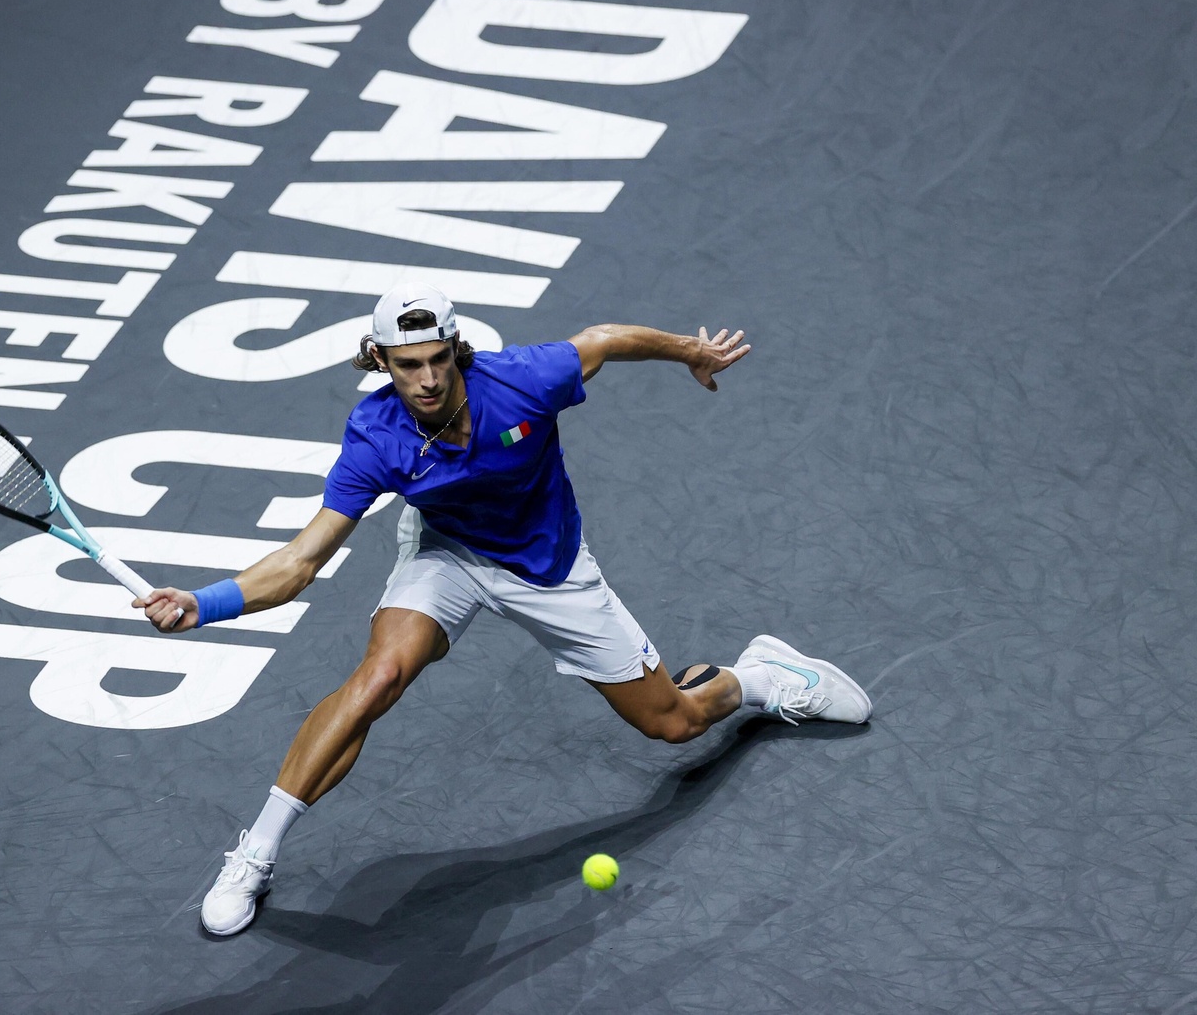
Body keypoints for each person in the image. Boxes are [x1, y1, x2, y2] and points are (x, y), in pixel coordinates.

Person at [134, 282, 873, 937]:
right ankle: (254, 854)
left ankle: (760, 678)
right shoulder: (376, 437)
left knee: (672, 724)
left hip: (548, 566)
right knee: (379, 677)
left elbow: (604, 342)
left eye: (436, 359)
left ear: (458, 351)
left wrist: (690, 351)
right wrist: (205, 604)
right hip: (447, 551)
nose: (425, 379)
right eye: (406, 364)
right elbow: (301, 561)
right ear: (379, 363)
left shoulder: (520, 382)